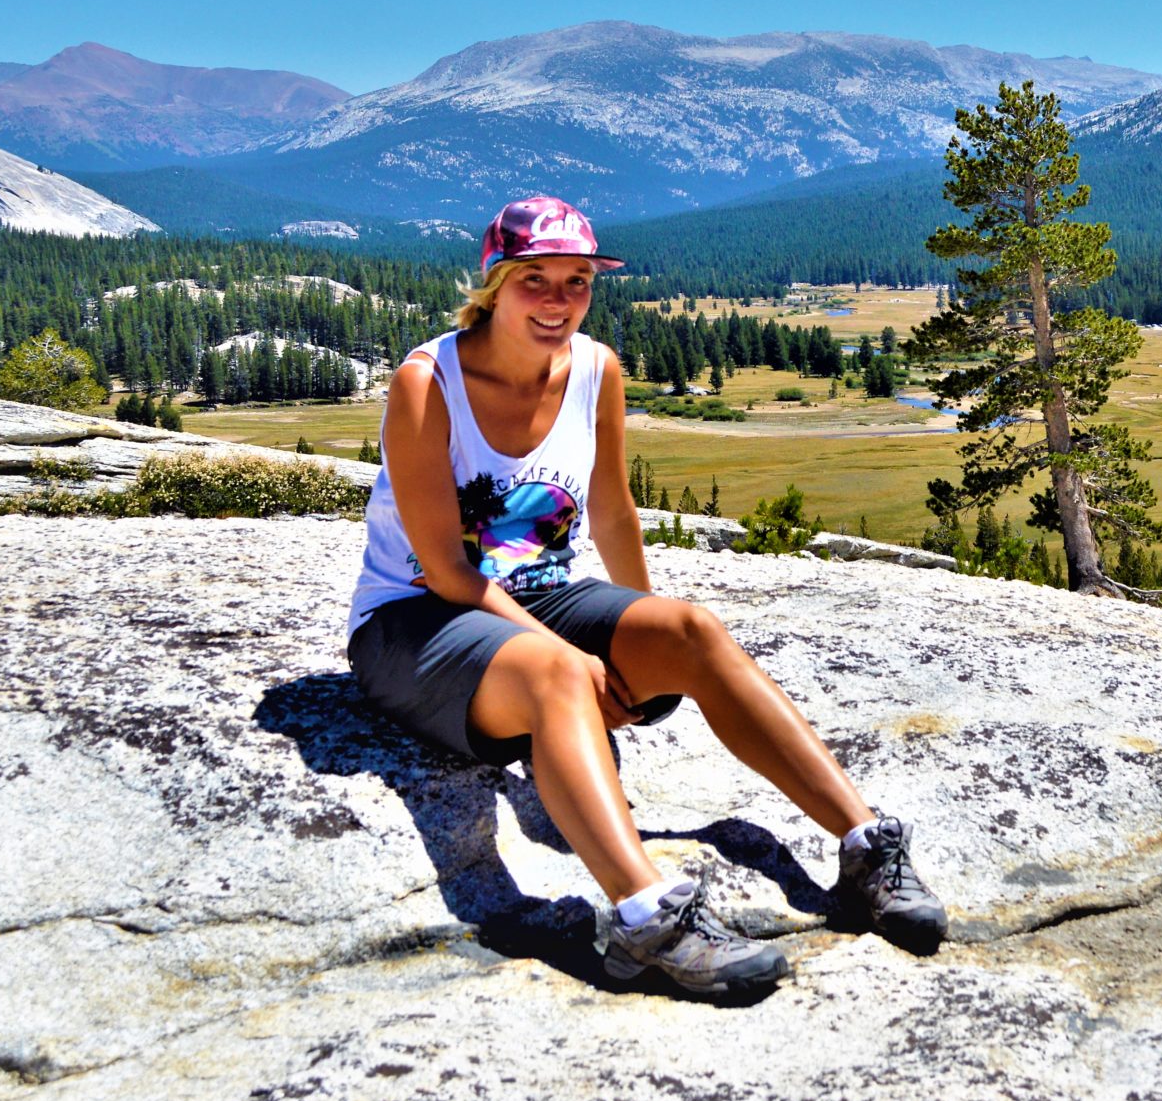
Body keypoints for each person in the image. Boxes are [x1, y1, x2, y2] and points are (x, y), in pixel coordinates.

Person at [346, 195, 947, 996]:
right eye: (534, 280)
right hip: (416, 623)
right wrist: (579, 665)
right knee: (558, 673)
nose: (558, 300)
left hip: (539, 597)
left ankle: (865, 846)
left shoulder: (596, 368)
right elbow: (448, 572)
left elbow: (612, 510)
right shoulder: (429, 383)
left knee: (692, 630)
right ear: (493, 285)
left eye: (577, 280)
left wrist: (643, 637)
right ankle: (645, 919)